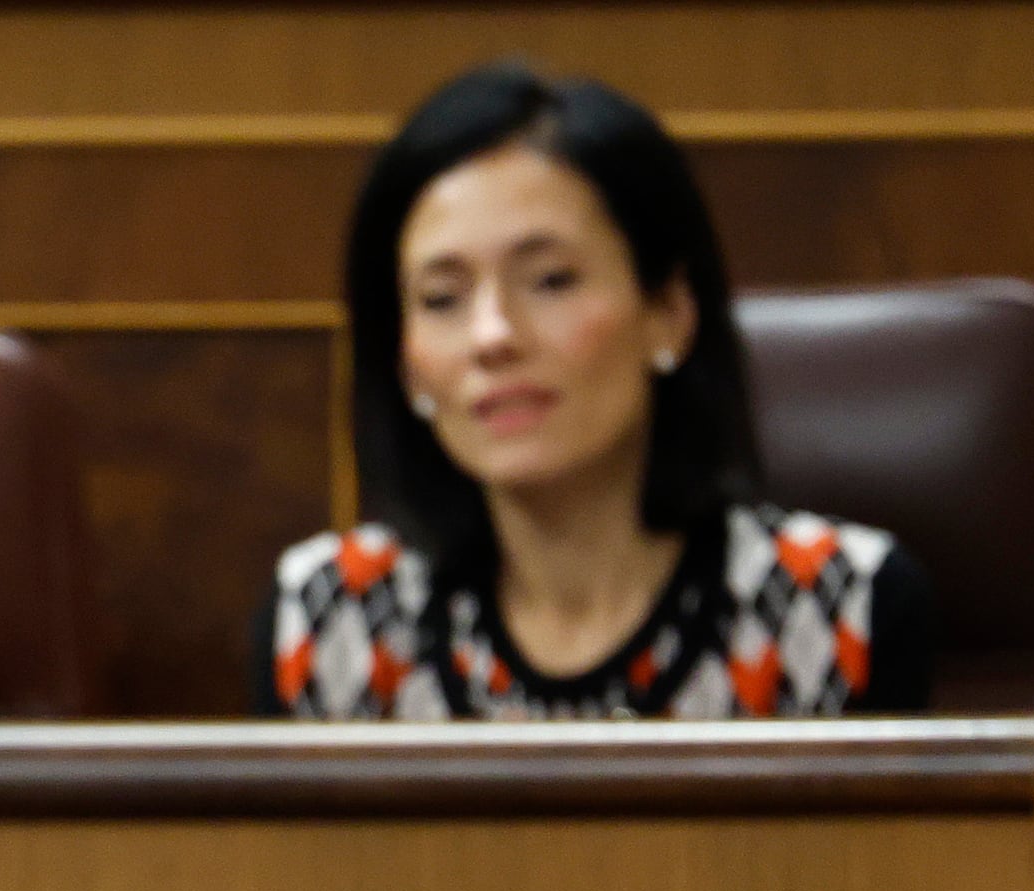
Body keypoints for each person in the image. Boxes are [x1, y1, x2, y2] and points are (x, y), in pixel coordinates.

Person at [264, 63, 932, 722]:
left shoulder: (836, 610)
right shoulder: (331, 619)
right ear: (405, 361)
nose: (492, 336)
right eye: (442, 299)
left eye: (551, 281)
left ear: (668, 312)